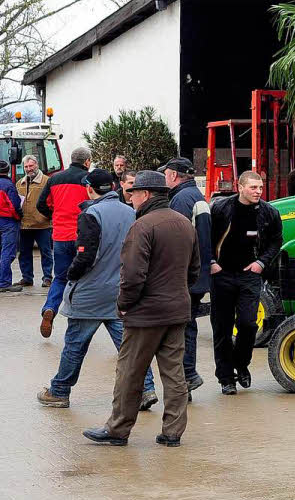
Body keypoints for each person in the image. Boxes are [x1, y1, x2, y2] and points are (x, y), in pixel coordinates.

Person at [82, 171, 199, 448]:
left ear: (145, 195)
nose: (129, 197)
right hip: (177, 309)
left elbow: (132, 275)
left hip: (145, 314)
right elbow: (194, 271)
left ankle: (118, 429)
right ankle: (173, 432)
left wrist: (123, 304)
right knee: (174, 374)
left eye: (133, 193)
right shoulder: (184, 224)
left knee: (130, 372)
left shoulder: (143, 226)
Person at [36, 170, 156, 408]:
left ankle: (59, 390)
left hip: (90, 293)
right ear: (113, 187)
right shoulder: (131, 213)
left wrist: (70, 275)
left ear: (90, 189)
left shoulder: (90, 214)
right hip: (121, 291)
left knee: (74, 345)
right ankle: (146, 389)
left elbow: (85, 256)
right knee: (130, 346)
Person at [209, 170, 282, 395]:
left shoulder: (269, 213)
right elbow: (205, 237)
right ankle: (225, 378)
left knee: (249, 324)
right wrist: (211, 261)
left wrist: (261, 262)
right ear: (240, 187)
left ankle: (241, 364)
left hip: (249, 274)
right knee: (221, 327)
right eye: (253, 188)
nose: (258, 192)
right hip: (222, 274)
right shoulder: (220, 208)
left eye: (260, 188)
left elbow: (276, 241)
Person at [161, 156, 212, 394]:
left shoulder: (180, 200)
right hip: (197, 276)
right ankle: (187, 378)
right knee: (187, 325)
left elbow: (176, 241)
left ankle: (187, 376)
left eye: (165, 174)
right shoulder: (197, 197)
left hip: (184, 277)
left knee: (179, 329)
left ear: (172, 175)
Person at [37, 146, 91, 337]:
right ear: (87, 162)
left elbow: (40, 204)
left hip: (59, 236)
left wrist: (55, 216)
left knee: (60, 277)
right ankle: (78, 322)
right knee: (84, 278)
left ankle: (50, 308)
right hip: (82, 236)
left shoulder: (54, 179)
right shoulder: (87, 180)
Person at [15, 155, 53, 291]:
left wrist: (48, 216)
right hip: (25, 224)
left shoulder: (47, 181)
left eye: (31, 166)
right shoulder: (20, 183)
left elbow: (52, 201)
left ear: (37, 165)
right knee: (24, 253)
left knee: (46, 252)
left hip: (42, 224)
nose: (28, 169)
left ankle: (47, 277)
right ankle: (27, 278)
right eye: (26, 167)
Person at [0, 159, 22, 292]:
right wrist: (19, 217)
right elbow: (14, 205)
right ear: (7, 171)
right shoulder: (8, 185)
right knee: (8, 252)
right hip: (7, 222)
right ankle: (4, 282)